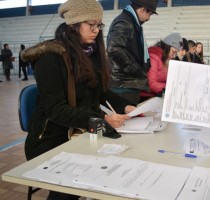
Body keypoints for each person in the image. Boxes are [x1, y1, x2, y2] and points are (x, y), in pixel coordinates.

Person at [21, 0, 135, 199]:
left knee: (118, 163)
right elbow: (57, 110)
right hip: (50, 139)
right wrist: (101, 119)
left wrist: (126, 106)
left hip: (79, 131)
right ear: (73, 24)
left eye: (99, 25)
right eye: (91, 24)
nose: (96, 30)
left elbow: (101, 93)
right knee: (72, 185)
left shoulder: (89, 53)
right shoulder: (50, 58)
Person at [106, 0, 159, 105]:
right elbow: (114, 48)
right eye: (149, 14)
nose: (149, 19)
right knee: (125, 120)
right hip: (123, 84)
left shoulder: (130, 21)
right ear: (143, 9)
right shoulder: (125, 21)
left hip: (126, 82)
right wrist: (135, 68)